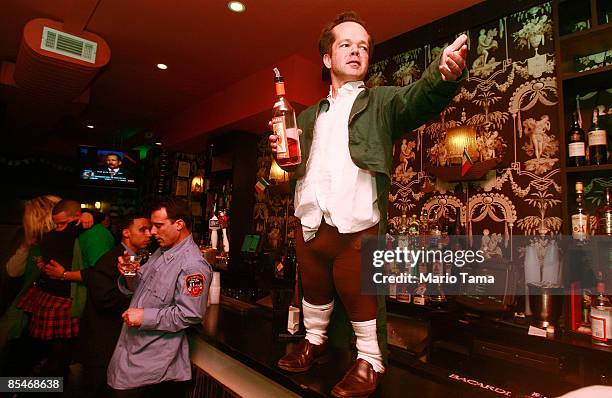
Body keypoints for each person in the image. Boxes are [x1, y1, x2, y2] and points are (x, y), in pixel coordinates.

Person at [269, 11, 467, 397]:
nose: (356, 51)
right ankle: (312, 341)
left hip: (357, 228)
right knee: (313, 291)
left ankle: (369, 361)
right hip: (309, 224)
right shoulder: (306, 116)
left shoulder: (381, 102)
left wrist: (442, 75)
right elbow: (290, 164)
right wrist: (281, 156)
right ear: (327, 59)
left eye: (363, 46)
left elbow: (419, 98)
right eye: (346, 44)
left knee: (363, 304)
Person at [107, 198, 211, 397]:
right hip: (132, 354)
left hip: (153, 368)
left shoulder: (193, 265)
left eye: (158, 226)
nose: (152, 232)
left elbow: (190, 314)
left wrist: (144, 317)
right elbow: (138, 288)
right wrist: (130, 276)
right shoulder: (162, 251)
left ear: (179, 224)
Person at [44, 213, 151, 398]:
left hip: (112, 344)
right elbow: (105, 300)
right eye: (143, 229)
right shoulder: (112, 260)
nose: (149, 233)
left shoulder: (135, 258)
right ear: (126, 232)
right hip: (102, 345)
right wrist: (141, 302)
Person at [0, 195, 61, 376]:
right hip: (21, 313)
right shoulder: (25, 239)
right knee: (18, 364)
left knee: (37, 366)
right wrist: (26, 244)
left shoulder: (59, 241)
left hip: (42, 314)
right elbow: (12, 273)